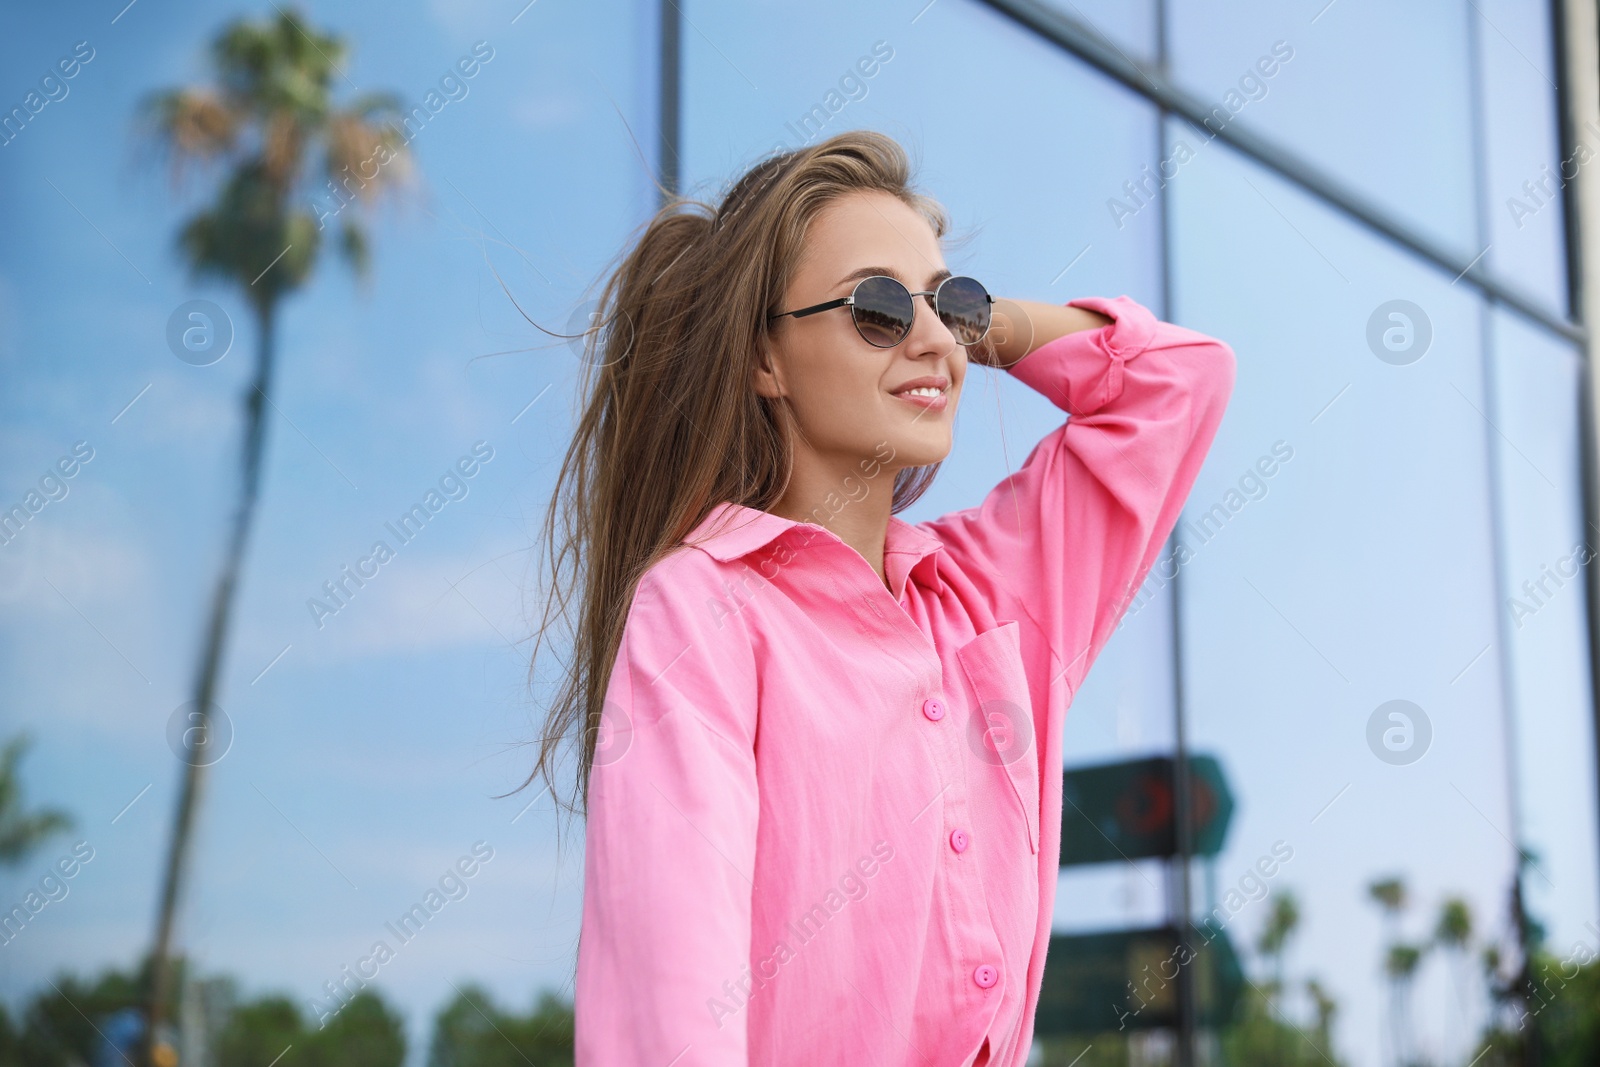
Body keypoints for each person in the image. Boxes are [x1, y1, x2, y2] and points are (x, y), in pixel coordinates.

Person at [521, 129, 1236, 1065]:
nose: (936, 339)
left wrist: (989, 324)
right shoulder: (701, 610)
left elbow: (1179, 380)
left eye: (950, 304)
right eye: (879, 307)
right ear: (763, 360)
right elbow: (671, 1021)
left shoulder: (989, 591)